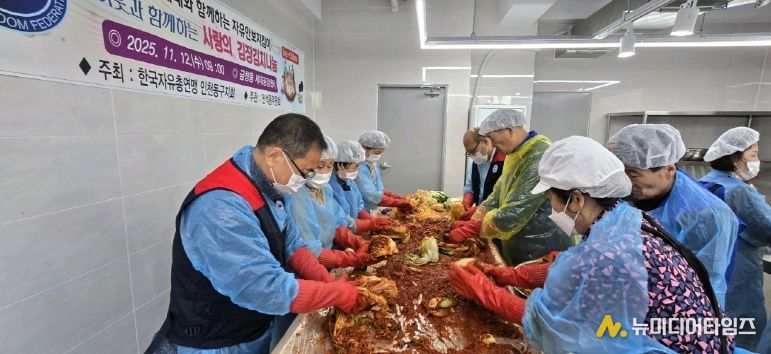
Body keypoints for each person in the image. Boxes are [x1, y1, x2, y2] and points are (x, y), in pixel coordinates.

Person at [450, 136, 734, 353]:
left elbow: (565, 329)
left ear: (576, 199)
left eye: (551, 200)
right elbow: (580, 267)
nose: (551, 209)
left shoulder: (610, 252)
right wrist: (511, 276)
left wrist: (488, 294)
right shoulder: (623, 220)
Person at [145, 114, 363, 354]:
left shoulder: (269, 187)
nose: (306, 179)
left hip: (251, 326)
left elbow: (293, 244)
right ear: (275, 156)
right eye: (305, 171)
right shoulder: (221, 207)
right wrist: (335, 294)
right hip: (215, 339)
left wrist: (325, 279)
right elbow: (263, 288)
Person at [608, 124, 738, 308]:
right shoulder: (626, 196)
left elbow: (706, 284)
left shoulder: (707, 215)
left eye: (632, 174)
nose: (624, 181)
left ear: (668, 169)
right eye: (620, 172)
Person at [449, 109, 571, 266]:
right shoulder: (515, 155)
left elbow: (516, 211)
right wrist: (479, 212)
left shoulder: (538, 154)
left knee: (535, 285)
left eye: (493, 139)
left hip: (541, 243)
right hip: (518, 242)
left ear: (509, 130)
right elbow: (498, 193)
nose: (492, 144)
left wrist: (472, 228)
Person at [700, 127, 771, 351]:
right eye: (753, 154)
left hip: (709, 275)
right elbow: (766, 229)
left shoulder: (705, 183)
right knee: (743, 339)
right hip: (738, 277)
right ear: (734, 158)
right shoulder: (739, 191)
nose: (756, 161)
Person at [285, 135, 373, 269]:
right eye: (320, 166)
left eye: (329, 165)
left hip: (327, 256)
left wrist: (354, 240)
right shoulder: (297, 195)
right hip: (307, 267)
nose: (325, 172)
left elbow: (335, 221)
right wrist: (348, 259)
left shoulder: (324, 187)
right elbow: (308, 249)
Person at [329, 140, 393, 232]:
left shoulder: (347, 181)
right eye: (355, 166)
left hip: (354, 230)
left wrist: (373, 221)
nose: (357, 170)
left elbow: (358, 206)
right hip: (338, 238)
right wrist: (371, 224)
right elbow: (341, 222)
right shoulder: (330, 187)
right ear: (340, 165)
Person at [356, 130, 413, 213]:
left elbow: (378, 188)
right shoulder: (357, 167)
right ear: (364, 148)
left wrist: (394, 196)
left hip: (370, 209)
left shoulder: (371, 163)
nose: (378, 156)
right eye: (377, 152)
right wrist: (397, 202)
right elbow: (371, 195)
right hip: (361, 211)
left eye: (380, 153)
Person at [461, 128, 505, 220]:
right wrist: (467, 198)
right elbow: (469, 185)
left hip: (495, 217)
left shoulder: (503, 160)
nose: (473, 156)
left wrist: (483, 208)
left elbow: (504, 198)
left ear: (484, 142)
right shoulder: (477, 162)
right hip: (478, 216)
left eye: (474, 152)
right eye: (469, 154)